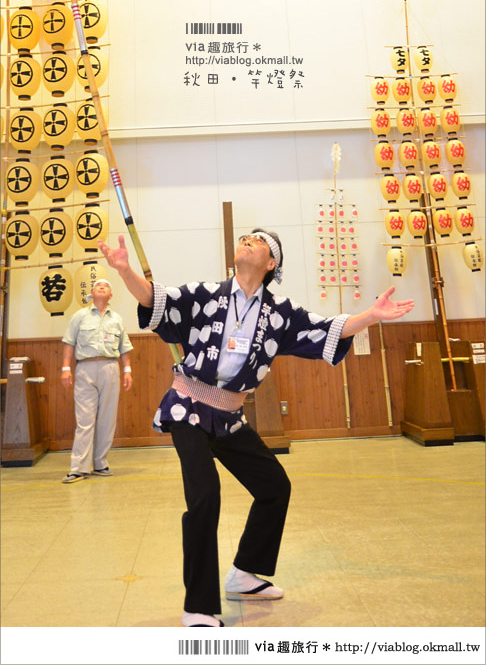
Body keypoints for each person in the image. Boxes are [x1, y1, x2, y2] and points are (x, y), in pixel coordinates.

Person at [98, 230, 414, 627]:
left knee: (274, 487)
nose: (247, 240)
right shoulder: (206, 293)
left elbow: (326, 328)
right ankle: (197, 606)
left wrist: (370, 315)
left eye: (258, 240)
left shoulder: (280, 313)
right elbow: (155, 299)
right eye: (244, 236)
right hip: (189, 407)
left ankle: (244, 573)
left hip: (229, 415)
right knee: (205, 497)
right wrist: (125, 271)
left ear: (271, 264)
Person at [60, 278, 133, 483]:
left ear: (111, 295)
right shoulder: (79, 316)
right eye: (97, 285)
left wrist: (127, 370)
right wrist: (66, 368)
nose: (101, 286)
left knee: (107, 418)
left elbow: (124, 348)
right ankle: (78, 468)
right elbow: (68, 342)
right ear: (92, 293)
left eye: (106, 286)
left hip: (111, 367)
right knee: (85, 420)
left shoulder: (116, 319)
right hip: (85, 368)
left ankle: (100, 463)